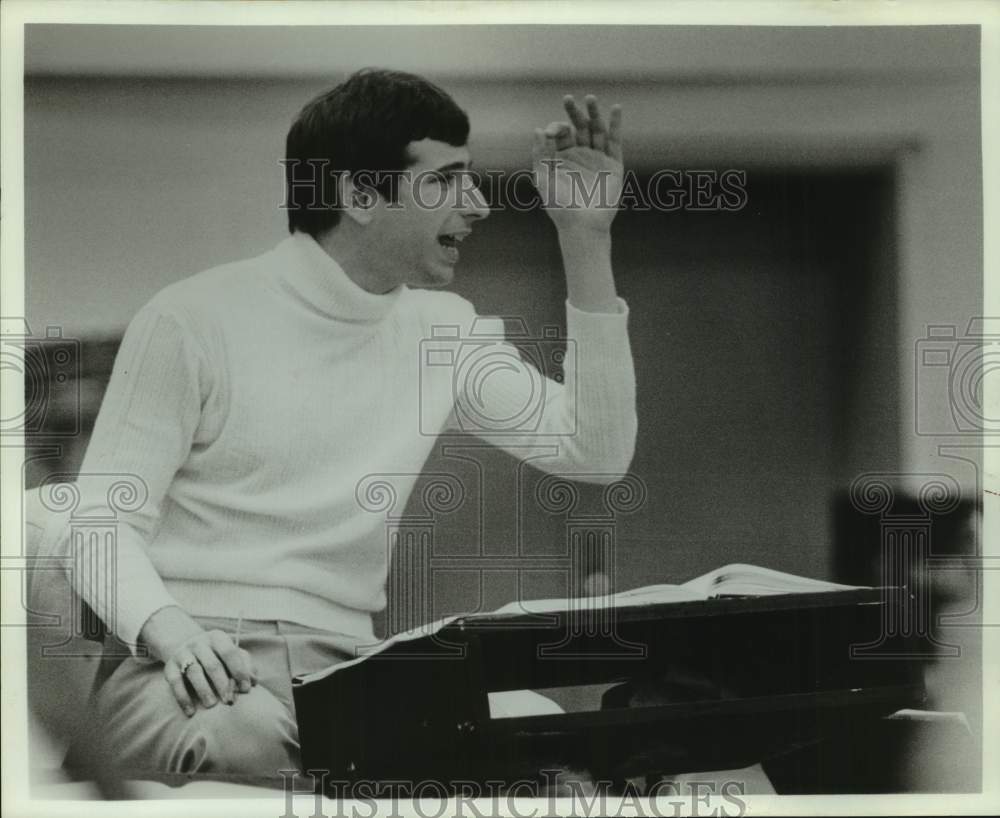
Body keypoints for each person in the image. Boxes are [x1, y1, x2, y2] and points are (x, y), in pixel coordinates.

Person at [41, 68, 637, 779]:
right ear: (359, 195)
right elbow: (99, 527)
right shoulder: (191, 318)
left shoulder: (442, 331)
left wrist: (585, 238)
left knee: (535, 738)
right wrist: (176, 637)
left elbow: (596, 451)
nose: (477, 203)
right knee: (262, 741)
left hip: (347, 668)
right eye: (446, 180)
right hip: (181, 658)